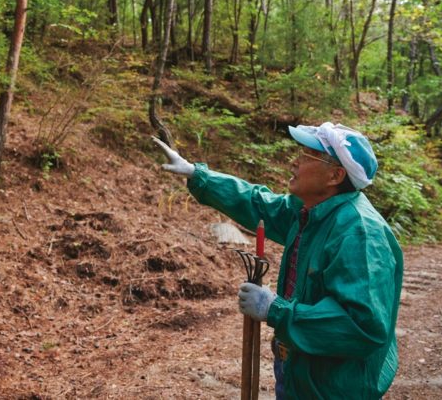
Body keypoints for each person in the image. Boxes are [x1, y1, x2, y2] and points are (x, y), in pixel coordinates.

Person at [154, 122, 403, 399]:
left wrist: (274, 309)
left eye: (308, 155)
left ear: (335, 175)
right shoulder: (311, 212)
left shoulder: (359, 232)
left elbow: (362, 326)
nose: (295, 161)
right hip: (299, 366)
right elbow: (259, 203)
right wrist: (198, 175)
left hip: (334, 385)